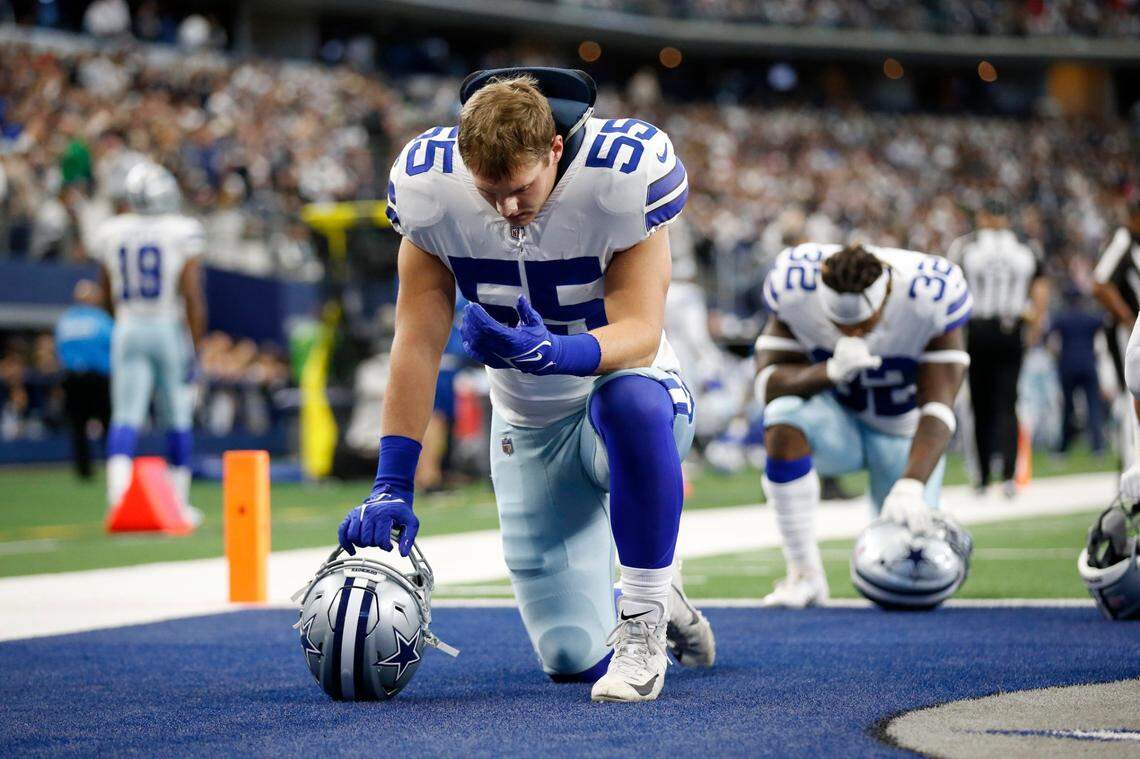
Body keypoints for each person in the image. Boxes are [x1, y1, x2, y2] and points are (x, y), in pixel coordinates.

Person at [336, 68, 714, 703]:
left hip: (622, 392)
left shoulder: (621, 176)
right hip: (526, 423)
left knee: (631, 399)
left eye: (519, 188)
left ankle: (646, 617)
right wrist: (391, 483)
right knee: (568, 656)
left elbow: (642, 332)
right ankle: (662, 587)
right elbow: (416, 342)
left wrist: (552, 352)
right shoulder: (431, 189)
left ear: (556, 150)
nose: (506, 209)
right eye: (489, 192)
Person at [754, 243, 971, 607]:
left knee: (910, 573)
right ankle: (804, 575)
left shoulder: (930, 294)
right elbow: (767, 384)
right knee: (782, 418)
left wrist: (911, 485)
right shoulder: (795, 286)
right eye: (839, 323)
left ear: (887, 294)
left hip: (904, 436)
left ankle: (909, 491)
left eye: (862, 324)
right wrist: (829, 371)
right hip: (839, 426)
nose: (851, 333)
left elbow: (939, 405)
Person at [93, 162, 206, 522]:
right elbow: (191, 295)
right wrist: (196, 345)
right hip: (166, 326)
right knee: (177, 413)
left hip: (128, 325)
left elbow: (105, 292)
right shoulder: (181, 230)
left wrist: (124, 319)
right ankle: (177, 504)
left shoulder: (113, 231)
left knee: (125, 415)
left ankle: (116, 498)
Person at [947, 200, 1048, 496]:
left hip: (978, 330)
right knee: (1008, 402)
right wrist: (1034, 327)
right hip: (1011, 328)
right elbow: (1040, 290)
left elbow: (953, 288)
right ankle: (1007, 476)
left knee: (979, 404)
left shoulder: (966, 246)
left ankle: (981, 477)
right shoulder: (1025, 246)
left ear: (983, 216)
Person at [55, 279, 113, 479]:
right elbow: (113, 345)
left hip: (73, 379)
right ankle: (114, 467)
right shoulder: (101, 319)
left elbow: (60, 351)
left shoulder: (65, 321)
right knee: (108, 424)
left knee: (78, 426)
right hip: (98, 379)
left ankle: (83, 471)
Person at [1048, 288, 1106, 456]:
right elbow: (1104, 322)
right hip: (1088, 365)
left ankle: (1063, 448)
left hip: (1067, 366)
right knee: (1093, 406)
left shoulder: (1062, 318)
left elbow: (1050, 338)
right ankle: (1098, 447)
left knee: (1067, 408)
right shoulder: (1089, 317)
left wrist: (1056, 355)